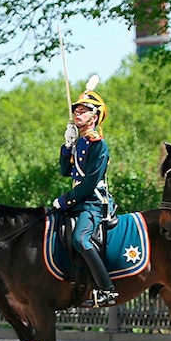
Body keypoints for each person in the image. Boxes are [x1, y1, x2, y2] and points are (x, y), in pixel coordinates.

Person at [52, 79, 117, 308]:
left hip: (92, 203)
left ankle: (107, 289)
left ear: (95, 117)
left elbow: (90, 183)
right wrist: (67, 146)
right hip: (79, 202)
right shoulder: (80, 142)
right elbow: (65, 171)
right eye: (76, 110)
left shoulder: (98, 144)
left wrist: (65, 199)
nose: (78, 113)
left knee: (81, 238)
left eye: (84, 110)